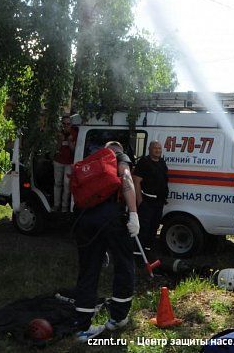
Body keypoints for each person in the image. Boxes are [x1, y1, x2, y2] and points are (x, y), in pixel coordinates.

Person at [71, 141, 140, 341]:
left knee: (88, 269)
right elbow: (126, 178)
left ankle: (83, 327)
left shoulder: (89, 163)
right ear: (118, 150)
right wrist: (134, 214)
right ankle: (117, 318)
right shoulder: (120, 157)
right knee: (124, 264)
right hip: (111, 217)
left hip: (84, 218)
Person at [133, 140, 169, 255]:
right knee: (144, 229)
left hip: (159, 202)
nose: (158, 150)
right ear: (149, 149)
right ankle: (138, 253)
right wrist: (140, 201)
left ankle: (148, 251)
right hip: (147, 202)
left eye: (159, 148)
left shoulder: (162, 162)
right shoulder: (144, 162)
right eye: (155, 148)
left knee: (154, 228)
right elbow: (136, 181)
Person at [53, 115, 77, 212]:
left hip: (69, 162)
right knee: (57, 183)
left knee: (67, 184)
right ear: (61, 124)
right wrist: (60, 140)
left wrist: (69, 141)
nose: (66, 126)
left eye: (68, 124)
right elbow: (55, 149)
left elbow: (74, 150)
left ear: (71, 124)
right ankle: (56, 205)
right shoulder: (58, 133)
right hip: (58, 161)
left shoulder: (74, 133)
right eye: (64, 124)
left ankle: (64, 206)